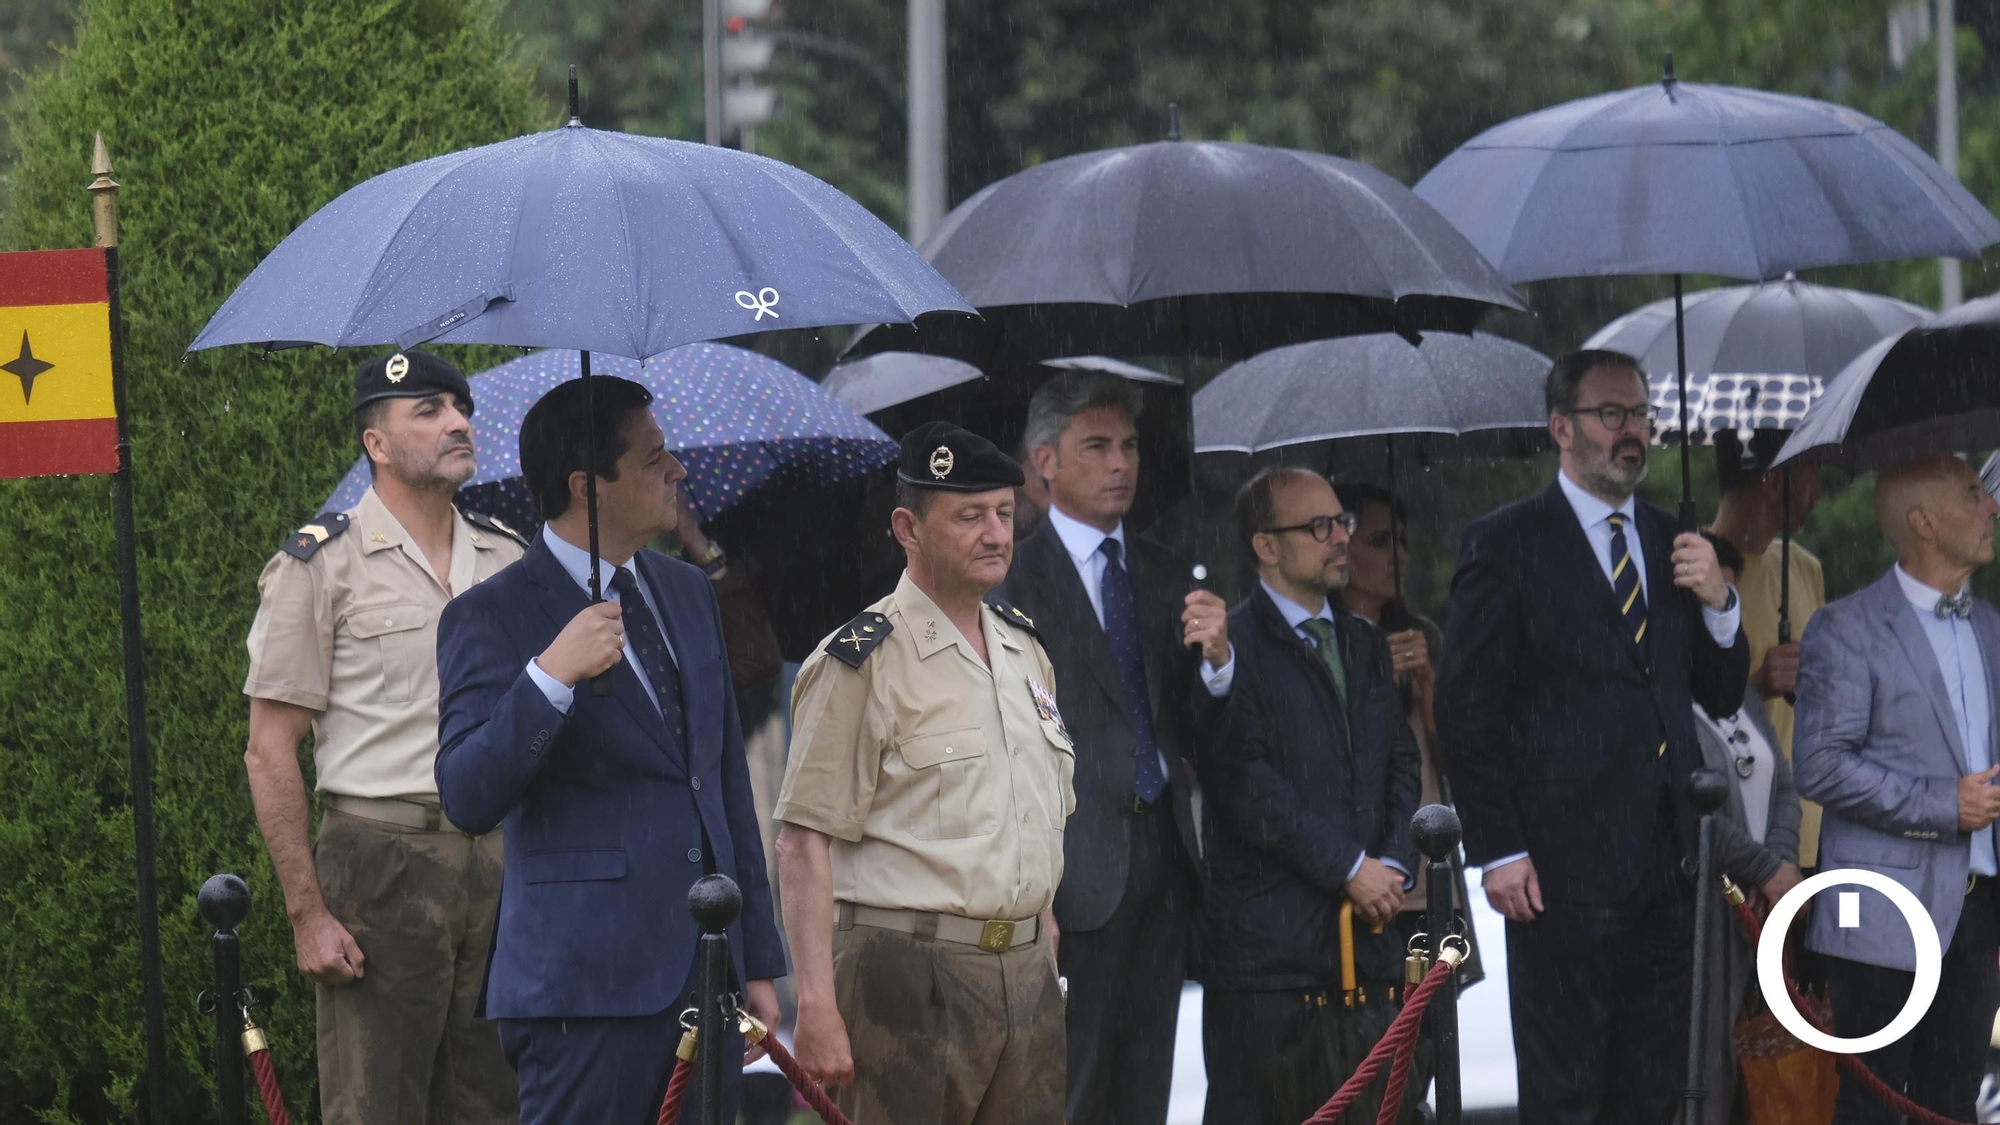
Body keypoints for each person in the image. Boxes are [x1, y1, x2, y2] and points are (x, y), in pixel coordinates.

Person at [433, 375, 784, 1125]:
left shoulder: (687, 592)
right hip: (582, 991)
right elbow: (466, 793)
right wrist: (550, 674)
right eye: (655, 458)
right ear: (587, 487)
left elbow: (721, 786)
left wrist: (756, 954)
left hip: (708, 970)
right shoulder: (491, 614)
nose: (678, 473)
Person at [1435, 348, 1748, 1125]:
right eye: (1612, 415)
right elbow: (1467, 709)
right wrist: (1499, 847)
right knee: (1567, 1093)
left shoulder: (1677, 538)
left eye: (1641, 414)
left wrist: (1720, 600)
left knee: (1654, 1093)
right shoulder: (1505, 542)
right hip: (1558, 874)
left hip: (1669, 871)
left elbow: (1720, 690)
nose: (1632, 432)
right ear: (1562, 429)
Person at [241, 350, 524, 1125]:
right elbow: (269, 748)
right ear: (376, 444)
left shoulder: (508, 557)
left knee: (498, 1104)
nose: (459, 421)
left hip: (502, 866)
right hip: (380, 863)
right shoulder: (320, 564)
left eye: (460, 406)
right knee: (377, 1107)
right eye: (429, 410)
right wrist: (307, 913)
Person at [774, 422, 1072, 1125]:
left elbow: (1032, 809)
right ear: (908, 526)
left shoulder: (1026, 649)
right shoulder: (860, 659)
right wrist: (815, 1005)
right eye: (970, 516)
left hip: (1024, 971)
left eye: (1004, 512)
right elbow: (801, 840)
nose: (996, 533)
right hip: (907, 972)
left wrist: (1043, 919)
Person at [994, 371, 1232, 1125]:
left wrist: (1219, 663)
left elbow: (1197, 730)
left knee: (1146, 1084)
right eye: (1096, 446)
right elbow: (1004, 745)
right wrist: (1030, 888)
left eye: (1128, 445)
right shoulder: (1012, 581)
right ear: (1046, 462)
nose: (1121, 462)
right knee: (1074, 1085)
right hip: (1070, 868)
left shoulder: (1169, 570)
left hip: (1165, 860)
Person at [1195, 467, 1422, 1125]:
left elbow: (1401, 765)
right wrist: (1351, 866)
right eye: (1318, 526)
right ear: (1266, 546)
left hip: (1368, 948)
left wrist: (1393, 865)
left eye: (1342, 523)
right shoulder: (1229, 647)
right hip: (1269, 959)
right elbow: (1246, 786)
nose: (1340, 539)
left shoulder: (1363, 641)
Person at [1793, 453, 2000, 1125]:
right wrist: (1944, 804)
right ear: (1924, 521)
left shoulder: (1990, 624)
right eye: (1975, 495)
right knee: (1872, 1104)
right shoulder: (1846, 627)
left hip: (1978, 909)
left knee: (1955, 1103)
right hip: (1878, 910)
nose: (1992, 506)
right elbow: (1820, 764)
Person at [1333, 481, 1481, 980]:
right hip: (1357, 863)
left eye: (1402, 540)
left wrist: (1427, 683)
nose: (1399, 555)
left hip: (1427, 854)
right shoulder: (1324, 640)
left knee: (1432, 1023)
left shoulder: (1423, 635)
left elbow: (1455, 752)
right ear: (1341, 548)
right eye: (1379, 542)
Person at [1690, 530, 1804, 1125]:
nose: (1725, 616)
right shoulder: (1659, 694)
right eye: (1713, 600)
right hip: (1705, 912)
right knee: (1706, 1073)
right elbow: (1688, 805)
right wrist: (1762, 868)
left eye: (1729, 599)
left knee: (1765, 1074)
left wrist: (1780, 865)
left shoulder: (1737, 687)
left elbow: (1782, 780)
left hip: (1763, 906)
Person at [1709, 428, 1828, 867]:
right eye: (1812, 471)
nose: (1817, 491)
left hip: (1814, 830)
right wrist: (1754, 688)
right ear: (1776, 482)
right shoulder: (1690, 570)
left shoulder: (1805, 567)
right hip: (1738, 833)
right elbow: (1678, 710)